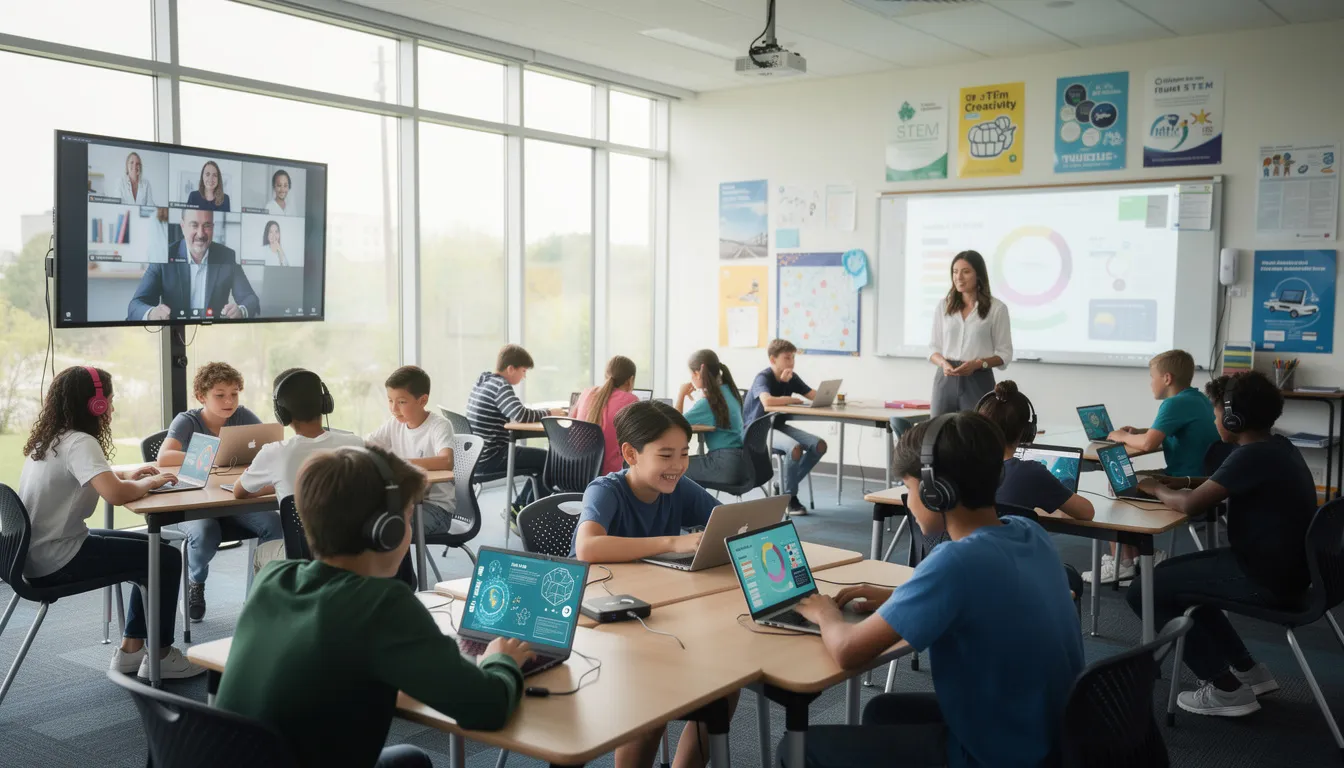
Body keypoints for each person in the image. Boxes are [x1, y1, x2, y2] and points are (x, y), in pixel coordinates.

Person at [795, 413, 1083, 767]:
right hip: (1051, 736)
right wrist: (895, 596)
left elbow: (848, 651)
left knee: (798, 748)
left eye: (909, 489)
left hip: (998, 753)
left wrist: (824, 612)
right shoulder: (1027, 531)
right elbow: (982, 596)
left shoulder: (956, 562)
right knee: (883, 711)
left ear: (936, 492)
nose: (908, 501)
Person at [216, 444, 531, 768]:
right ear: (387, 532)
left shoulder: (272, 579)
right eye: (407, 518)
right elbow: (488, 708)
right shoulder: (383, 605)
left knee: (410, 760)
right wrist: (500, 661)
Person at [1127, 371, 1315, 718]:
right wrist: (1178, 481)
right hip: (1287, 571)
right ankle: (1247, 670)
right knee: (1179, 580)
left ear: (1233, 418)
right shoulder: (1274, 447)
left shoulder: (1250, 456)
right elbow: (1220, 482)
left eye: (1216, 414)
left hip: (1265, 580)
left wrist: (1154, 488)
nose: (1216, 421)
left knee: (1144, 589)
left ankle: (1226, 689)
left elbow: (1190, 505)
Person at [17, 366, 205, 679]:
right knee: (167, 558)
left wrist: (126, 475)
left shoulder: (51, 439)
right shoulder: (80, 442)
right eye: (109, 400)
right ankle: (159, 656)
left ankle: (131, 651)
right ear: (96, 405)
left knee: (154, 549)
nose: (112, 407)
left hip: (35, 555)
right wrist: (150, 482)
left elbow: (94, 478)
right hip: (58, 559)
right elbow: (116, 496)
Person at [571, 401, 730, 768]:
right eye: (666, 455)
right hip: (597, 622)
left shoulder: (679, 487)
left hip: (656, 609)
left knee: (724, 686)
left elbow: (723, 521)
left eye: (684, 454)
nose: (677, 465)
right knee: (652, 697)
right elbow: (587, 548)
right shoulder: (605, 490)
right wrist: (672, 542)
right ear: (630, 454)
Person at [158, 362, 282, 622]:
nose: (229, 400)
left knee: (274, 523)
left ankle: (260, 595)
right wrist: (210, 455)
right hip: (195, 502)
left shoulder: (243, 416)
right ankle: (195, 582)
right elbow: (164, 456)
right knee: (205, 532)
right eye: (220, 394)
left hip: (232, 497)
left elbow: (270, 449)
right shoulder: (187, 420)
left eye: (234, 393)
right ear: (202, 396)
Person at [1087, 349, 1220, 584]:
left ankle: (1124, 563)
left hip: (1183, 483)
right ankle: (1138, 557)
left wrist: (1121, 436)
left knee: (1118, 483)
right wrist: (1137, 431)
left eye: (1152, 377)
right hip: (1203, 479)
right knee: (1126, 480)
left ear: (1167, 378)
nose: (1150, 383)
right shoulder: (1197, 399)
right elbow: (1164, 431)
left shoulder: (1174, 404)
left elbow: (1149, 444)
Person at [237, 368, 366, 573]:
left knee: (262, 552)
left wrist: (279, 485)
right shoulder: (356, 444)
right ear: (326, 404)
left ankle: (271, 605)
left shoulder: (274, 453)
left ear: (282, 413)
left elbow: (239, 491)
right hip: (357, 553)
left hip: (303, 558)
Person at [467, 345, 565, 520]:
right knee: (551, 461)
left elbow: (514, 411)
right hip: (493, 457)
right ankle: (524, 513)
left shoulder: (484, 381)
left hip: (476, 457)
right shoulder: (500, 386)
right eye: (523, 371)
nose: (524, 376)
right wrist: (550, 412)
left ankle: (519, 507)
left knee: (543, 462)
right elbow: (520, 414)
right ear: (511, 368)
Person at [976, 380, 1094, 521]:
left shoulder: (959, 467)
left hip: (962, 542)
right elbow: (1087, 512)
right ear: (1027, 432)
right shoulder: (1032, 473)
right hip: (1010, 542)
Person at [365, 365, 456, 539]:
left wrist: (401, 463)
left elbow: (446, 461)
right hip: (407, 504)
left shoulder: (439, 425)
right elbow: (366, 444)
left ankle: (403, 567)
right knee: (365, 519)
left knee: (384, 528)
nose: (393, 408)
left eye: (401, 402)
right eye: (390, 400)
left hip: (436, 509)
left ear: (422, 401)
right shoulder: (394, 424)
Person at [126, 208, 260, 322]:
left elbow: (251, 299)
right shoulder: (164, 257)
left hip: (214, 337)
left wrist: (241, 311)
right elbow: (135, 305)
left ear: (213, 227)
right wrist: (151, 314)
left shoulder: (226, 257)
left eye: (207, 225)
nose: (201, 234)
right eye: (194, 225)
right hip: (173, 335)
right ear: (183, 226)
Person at [742, 338, 826, 515]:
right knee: (794, 449)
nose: (792, 362)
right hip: (758, 430)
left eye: (793, 358)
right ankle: (788, 498)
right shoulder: (763, 377)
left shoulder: (791, 377)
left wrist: (830, 396)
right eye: (787, 358)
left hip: (777, 427)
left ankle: (783, 486)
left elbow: (812, 395)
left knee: (819, 445)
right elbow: (767, 401)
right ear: (773, 360)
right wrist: (792, 399)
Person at [926, 250, 1013, 417]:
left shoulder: (997, 309)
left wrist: (978, 364)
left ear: (978, 275)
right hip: (945, 379)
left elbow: (1005, 354)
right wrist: (943, 364)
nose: (959, 277)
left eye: (965, 272)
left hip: (978, 378)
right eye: (955, 271)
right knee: (937, 433)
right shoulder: (943, 306)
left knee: (976, 435)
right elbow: (932, 348)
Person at [677, 349, 748, 489]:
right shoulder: (730, 392)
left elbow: (674, 424)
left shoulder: (710, 402)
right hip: (741, 464)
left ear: (698, 373)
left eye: (691, 374)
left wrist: (681, 395)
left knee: (670, 467)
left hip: (723, 465)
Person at [570, 355, 639, 475]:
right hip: (608, 475)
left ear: (606, 376)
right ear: (630, 380)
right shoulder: (631, 400)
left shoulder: (587, 392)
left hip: (576, 470)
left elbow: (571, 422)